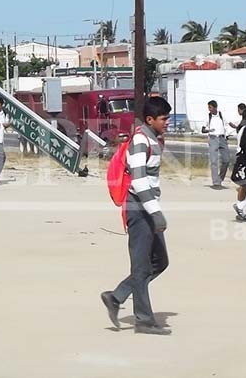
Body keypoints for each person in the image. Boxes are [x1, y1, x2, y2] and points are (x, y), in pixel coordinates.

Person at [101, 96, 172, 336]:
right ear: (150, 119)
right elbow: (140, 181)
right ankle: (144, 320)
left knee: (159, 262)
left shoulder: (154, 138)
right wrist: (156, 213)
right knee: (141, 267)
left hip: (147, 208)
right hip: (139, 209)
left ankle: (117, 296)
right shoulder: (141, 141)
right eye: (164, 119)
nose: (167, 122)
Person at [202, 100, 230, 190]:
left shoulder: (221, 115)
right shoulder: (208, 117)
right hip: (213, 138)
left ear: (215, 107)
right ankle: (216, 182)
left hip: (222, 138)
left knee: (226, 160)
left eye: (210, 107)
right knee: (214, 161)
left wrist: (228, 133)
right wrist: (209, 131)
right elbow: (203, 129)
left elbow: (227, 125)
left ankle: (220, 178)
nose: (209, 109)